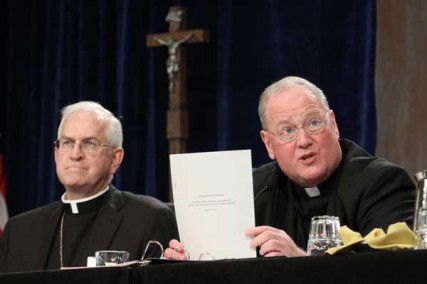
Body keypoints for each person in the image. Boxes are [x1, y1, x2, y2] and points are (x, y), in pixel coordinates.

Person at [163, 76, 415, 259]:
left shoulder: (384, 183)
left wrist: (300, 261)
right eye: (288, 131)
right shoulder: (251, 192)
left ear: (334, 124)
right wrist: (194, 259)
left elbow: (387, 272)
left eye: (314, 123)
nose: (304, 141)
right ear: (268, 144)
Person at [0, 101, 179, 272]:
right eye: (68, 143)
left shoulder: (148, 218)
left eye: (89, 143)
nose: (75, 154)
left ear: (115, 158)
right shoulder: (18, 231)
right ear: (56, 153)